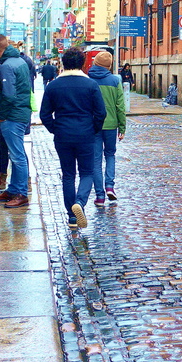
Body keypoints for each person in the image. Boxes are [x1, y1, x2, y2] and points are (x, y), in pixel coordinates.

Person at [40, 47, 106, 229]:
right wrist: (93, 129)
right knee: (87, 172)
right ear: (82, 64)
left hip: (63, 135)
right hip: (85, 134)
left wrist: (56, 129)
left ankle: (72, 216)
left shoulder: (53, 86)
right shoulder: (91, 85)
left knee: (68, 175)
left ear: (63, 63)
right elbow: (101, 113)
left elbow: (45, 115)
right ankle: (80, 202)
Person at [0, 34, 33, 208]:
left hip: (12, 116)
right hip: (21, 114)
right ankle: (14, 189)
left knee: (17, 156)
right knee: (16, 154)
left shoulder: (6, 66)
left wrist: (2, 115)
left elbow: (8, 95)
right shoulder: (20, 61)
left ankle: (21, 193)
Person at [88, 51, 127, 204]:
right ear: (109, 65)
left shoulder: (88, 80)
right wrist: (122, 127)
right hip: (111, 125)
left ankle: (99, 195)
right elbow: (120, 106)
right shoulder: (114, 80)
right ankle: (110, 187)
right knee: (110, 155)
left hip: (94, 126)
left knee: (96, 160)